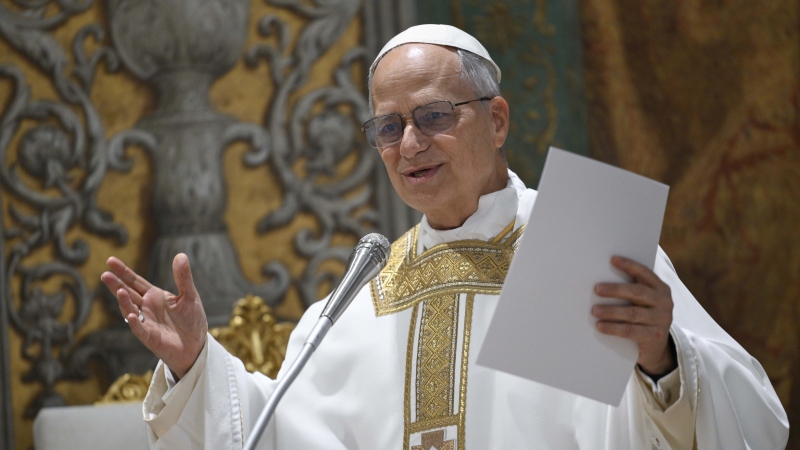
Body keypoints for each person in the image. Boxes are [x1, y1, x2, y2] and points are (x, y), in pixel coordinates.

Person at [101, 25, 788, 449]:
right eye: (389, 127)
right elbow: (282, 435)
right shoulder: (365, 291)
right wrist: (196, 362)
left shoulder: (586, 246)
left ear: (496, 120)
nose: (410, 144)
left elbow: (751, 417)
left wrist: (660, 358)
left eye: (433, 115)